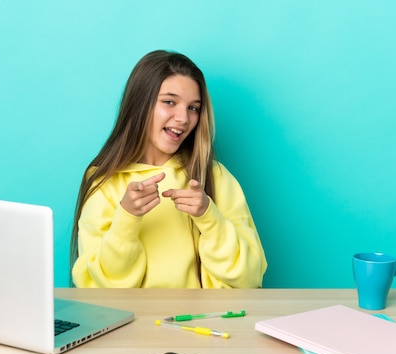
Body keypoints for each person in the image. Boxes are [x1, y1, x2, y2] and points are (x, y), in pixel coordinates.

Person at [70, 50, 267, 288]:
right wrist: (126, 219)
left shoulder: (215, 176)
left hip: (202, 321)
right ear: (139, 104)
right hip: (135, 323)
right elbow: (97, 289)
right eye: (169, 102)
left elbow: (250, 277)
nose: (183, 118)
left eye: (193, 108)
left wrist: (209, 216)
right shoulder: (103, 182)